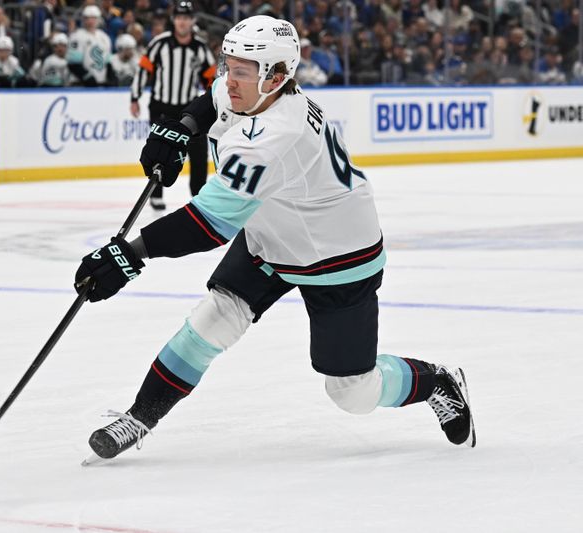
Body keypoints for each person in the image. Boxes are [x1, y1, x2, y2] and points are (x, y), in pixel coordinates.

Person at [76, 16, 477, 464]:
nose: (229, 80)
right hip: (271, 236)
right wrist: (182, 127)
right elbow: (209, 104)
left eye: (241, 71)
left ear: (279, 75)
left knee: (352, 392)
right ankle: (140, 417)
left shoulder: (273, 137)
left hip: (336, 255)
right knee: (212, 321)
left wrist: (128, 255)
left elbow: (206, 225)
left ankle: (438, 381)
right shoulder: (256, 91)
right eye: (228, 65)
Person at [129, 0, 216, 211]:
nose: (182, 22)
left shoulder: (200, 48)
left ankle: (198, 195)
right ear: (173, 20)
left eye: (186, 18)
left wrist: (212, 103)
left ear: (192, 21)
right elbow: (143, 70)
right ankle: (156, 193)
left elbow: (211, 78)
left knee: (197, 153)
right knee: (160, 150)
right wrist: (135, 97)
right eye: (179, 18)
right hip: (161, 107)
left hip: (189, 108)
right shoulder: (160, 43)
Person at [67, 4, 112, 87]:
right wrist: (87, 77)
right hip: (80, 83)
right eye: (87, 18)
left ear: (99, 19)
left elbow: (108, 62)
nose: (90, 21)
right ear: (83, 19)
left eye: (93, 18)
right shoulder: (76, 36)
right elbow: (73, 63)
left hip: (100, 82)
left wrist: (111, 77)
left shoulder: (105, 37)